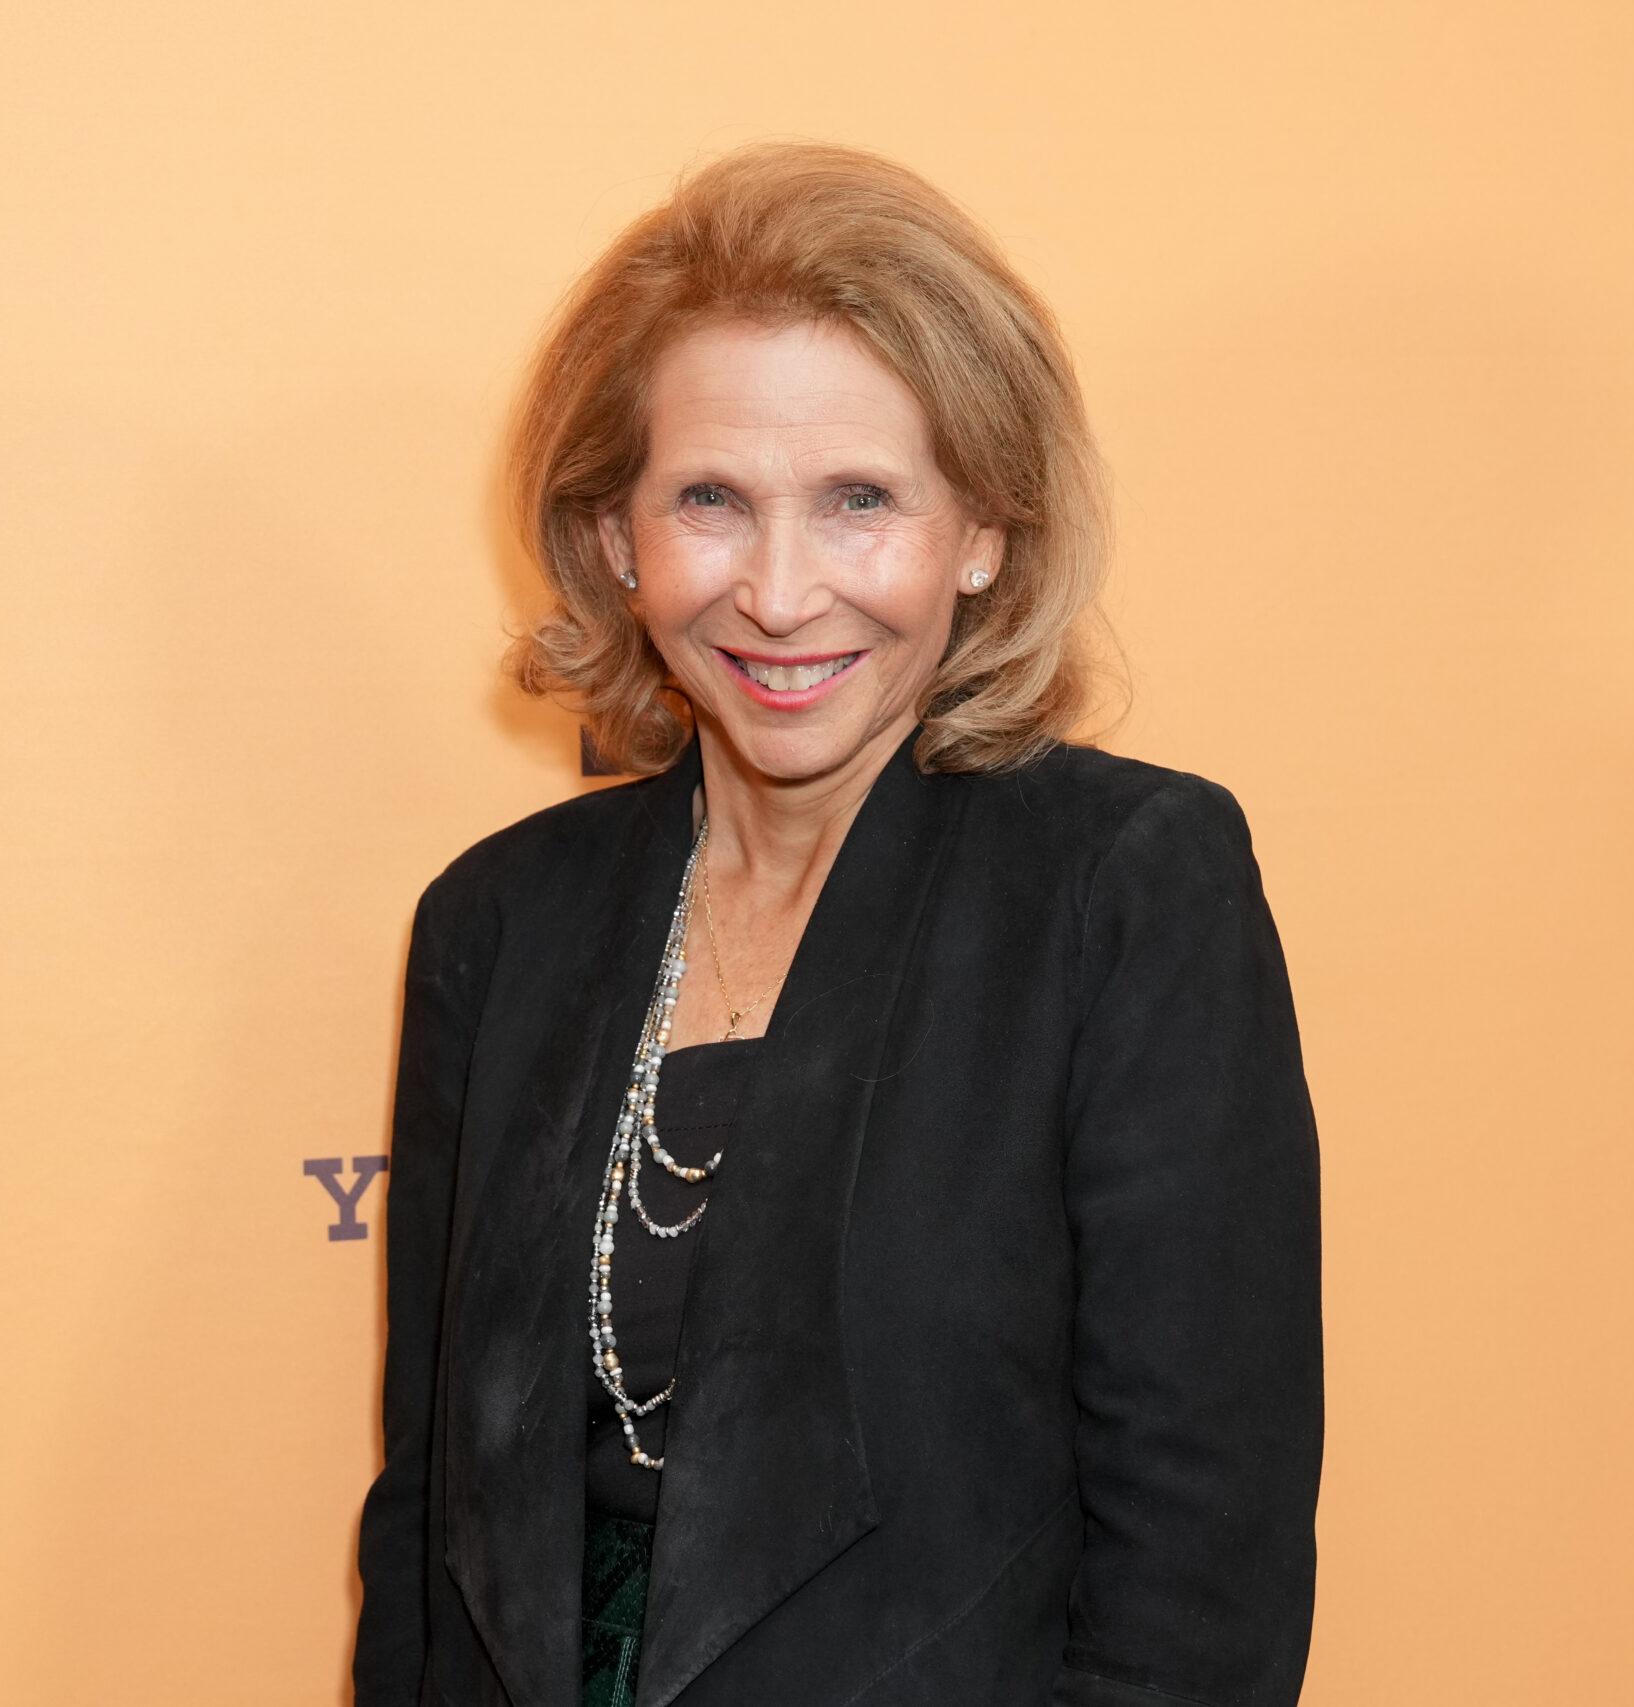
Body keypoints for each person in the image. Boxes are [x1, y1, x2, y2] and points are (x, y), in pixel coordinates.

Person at [352, 139, 1322, 1707]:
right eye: (712, 502)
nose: (782, 593)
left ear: (983, 530)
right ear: (616, 538)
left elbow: (1200, 1581)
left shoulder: (1124, 888)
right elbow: (427, 1523)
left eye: (860, 500)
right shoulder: (502, 919)